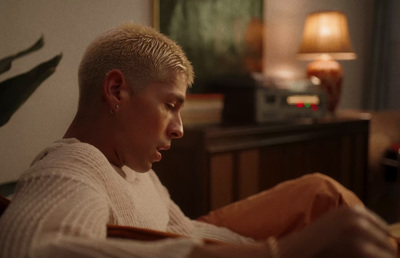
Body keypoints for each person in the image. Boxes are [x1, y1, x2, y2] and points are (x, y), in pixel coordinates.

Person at [0, 23, 396, 258]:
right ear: (117, 90)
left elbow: (185, 230)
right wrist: (276, 253)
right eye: (171, 105)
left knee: (320, 194)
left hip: (203, 232)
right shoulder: (70, 169)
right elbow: (33, 250)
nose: (179, 128)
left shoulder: (136, 170)